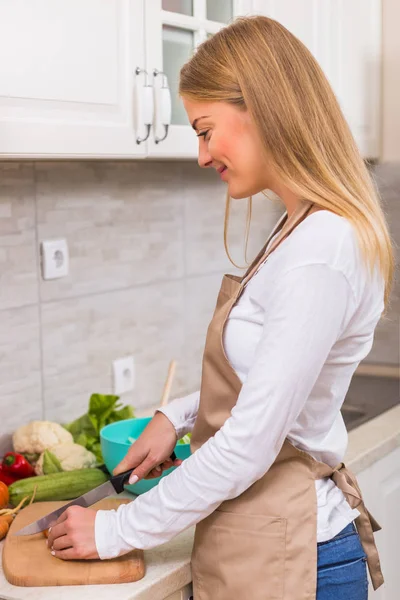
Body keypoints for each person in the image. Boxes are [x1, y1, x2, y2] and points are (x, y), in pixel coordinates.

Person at [47, 15, 393, 600]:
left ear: (262, 110)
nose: (202, 155)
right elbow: (269, 375)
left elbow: (250, 442)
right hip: (268, 546)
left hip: (294, 558)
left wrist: (114, 530)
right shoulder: (299, 227)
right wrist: (175, 417)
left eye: (206, 130)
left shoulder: (320, 248)